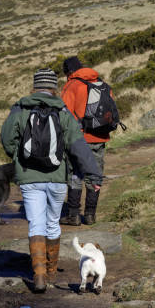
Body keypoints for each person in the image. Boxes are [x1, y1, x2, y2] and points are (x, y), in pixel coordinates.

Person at [0, 68, 102, 293]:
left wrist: (17, 157)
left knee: (35, 223)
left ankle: (38, 277)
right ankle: (52, 272)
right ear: (54, 88)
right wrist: (93, 175)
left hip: (28, 176)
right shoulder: (63, 112)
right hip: (57, 177)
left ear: (34, 87)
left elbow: (7, 139)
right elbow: (78, 146)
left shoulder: (20, 109)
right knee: (52, 222)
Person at [60, 56, 112, 226]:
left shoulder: (71, 85)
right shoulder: (101, 83)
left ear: (68, 71)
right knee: (95, 174)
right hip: (99, 136)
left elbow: (63, 115)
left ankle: (73, 215)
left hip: (78, 139)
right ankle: (90, 215)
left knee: (75, 174)